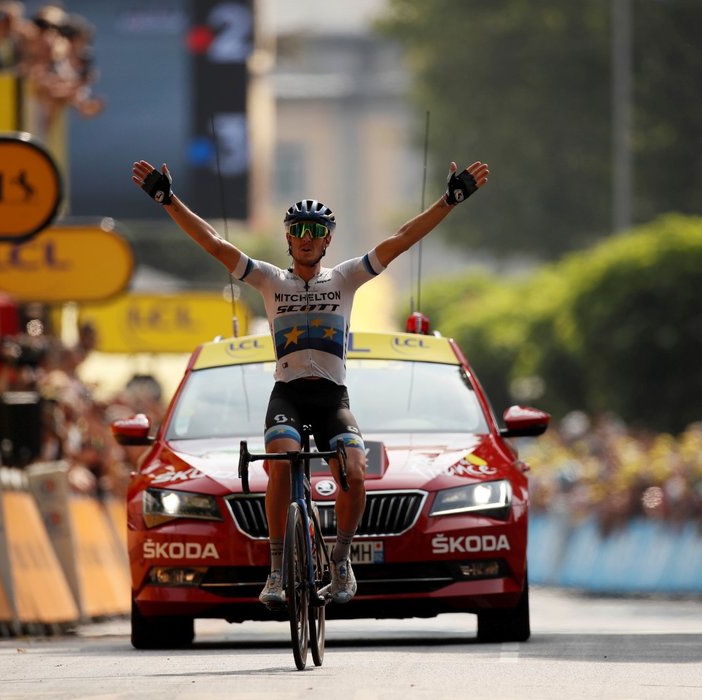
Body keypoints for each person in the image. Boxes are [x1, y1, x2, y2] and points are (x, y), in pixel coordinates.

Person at [131, 157, 489, 606]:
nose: (306, 239)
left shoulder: (346, 278)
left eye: (315, 232)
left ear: (327, 239)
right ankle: (278, 570)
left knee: (354, 473)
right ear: (287, 237)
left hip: (332, 398)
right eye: (298, 230)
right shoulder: (269, 280)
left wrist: (449, 201)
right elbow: (215, 244)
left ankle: (340, 562)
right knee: (279, 461)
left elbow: (400, 241)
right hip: (288, 396)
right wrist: (168, 200)